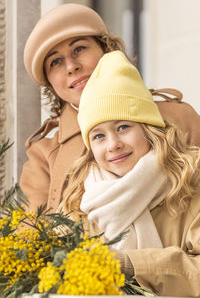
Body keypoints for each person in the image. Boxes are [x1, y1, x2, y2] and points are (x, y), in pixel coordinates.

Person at [20, 3, 200, 214]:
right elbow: (34, 240)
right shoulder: (43, 157)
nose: (71, 67)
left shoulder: (179, 117)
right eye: (55, 62)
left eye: (79, 48)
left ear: (106, 49)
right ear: (51, 84)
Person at [58, 50, 200, 297]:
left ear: (148, 128)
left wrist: (129, 264)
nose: (113, 145)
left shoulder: (190, 180)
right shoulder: (79, 199)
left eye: (123, 127)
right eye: (99, 136)